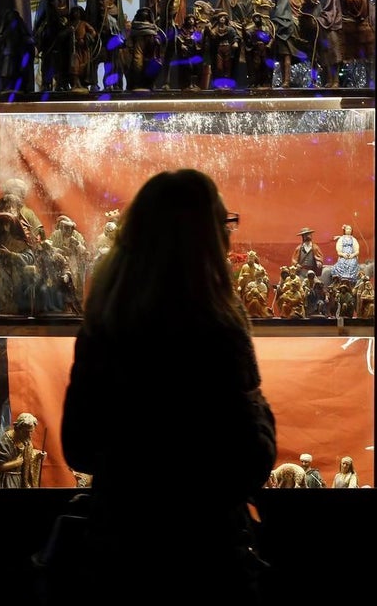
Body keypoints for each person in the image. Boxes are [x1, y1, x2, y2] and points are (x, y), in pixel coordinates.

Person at [62, 168, 276, 599]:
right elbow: (252, 456)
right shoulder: (220, 331)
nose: (231, 238)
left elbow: (78, 446)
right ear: (206, 239)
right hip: (207, 556)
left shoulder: (106, 325)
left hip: (117, 555)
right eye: (224, 225)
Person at [0, 412, 46, 488]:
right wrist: (16, 463)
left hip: (21, 480)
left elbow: (27, 456)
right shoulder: (5, 441)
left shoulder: (26, 441)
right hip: (7, 481)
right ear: (17, 429)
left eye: (31, 432)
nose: (29, 435)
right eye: (26, 432)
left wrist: (38, 455)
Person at [0, 177, 45, 242]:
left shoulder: (28, 213)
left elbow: (38, 229)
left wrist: (38, 235)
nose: (15, 195)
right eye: (12, 192)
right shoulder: (0, 211)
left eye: (17, 192)